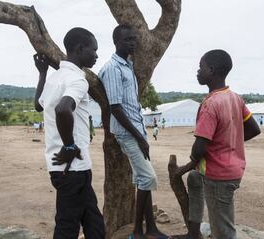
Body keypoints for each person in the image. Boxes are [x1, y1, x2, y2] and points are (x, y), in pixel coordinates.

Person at [174, 50, 260, 239]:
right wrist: (229, 143)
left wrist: (192, 159)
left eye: (200, 67)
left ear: (211, 70)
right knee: (194, 179)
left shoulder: (210, 104)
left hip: (218, 175)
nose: (197, 71)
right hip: (230, 169)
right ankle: (194, 234)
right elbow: (254, 129)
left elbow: (200, 147)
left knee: (223, 229)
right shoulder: (235, 98)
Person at [34, 27, 105, 239]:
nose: (96, 55)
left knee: (94, 221)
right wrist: (70, 146)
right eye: (94, 50)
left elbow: (39, 105)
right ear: (80, 48)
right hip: (71, 169)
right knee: (67, 228)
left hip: (73, 169)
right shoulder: (78, 80)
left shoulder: (56, 78)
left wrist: (42, 73)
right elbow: (63, 109)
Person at [98, 24, 166, 239]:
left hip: (138, 132)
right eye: (127, 40)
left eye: (133, 39)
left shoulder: (128, 66)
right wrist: (139, 137)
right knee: (148, 178)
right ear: (116, 42)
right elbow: (115, 108)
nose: (132, 43)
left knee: (142, 179)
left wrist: (142, 135)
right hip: (129, 134)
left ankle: (151, 227)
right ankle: (137, 232)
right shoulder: (112, 69)